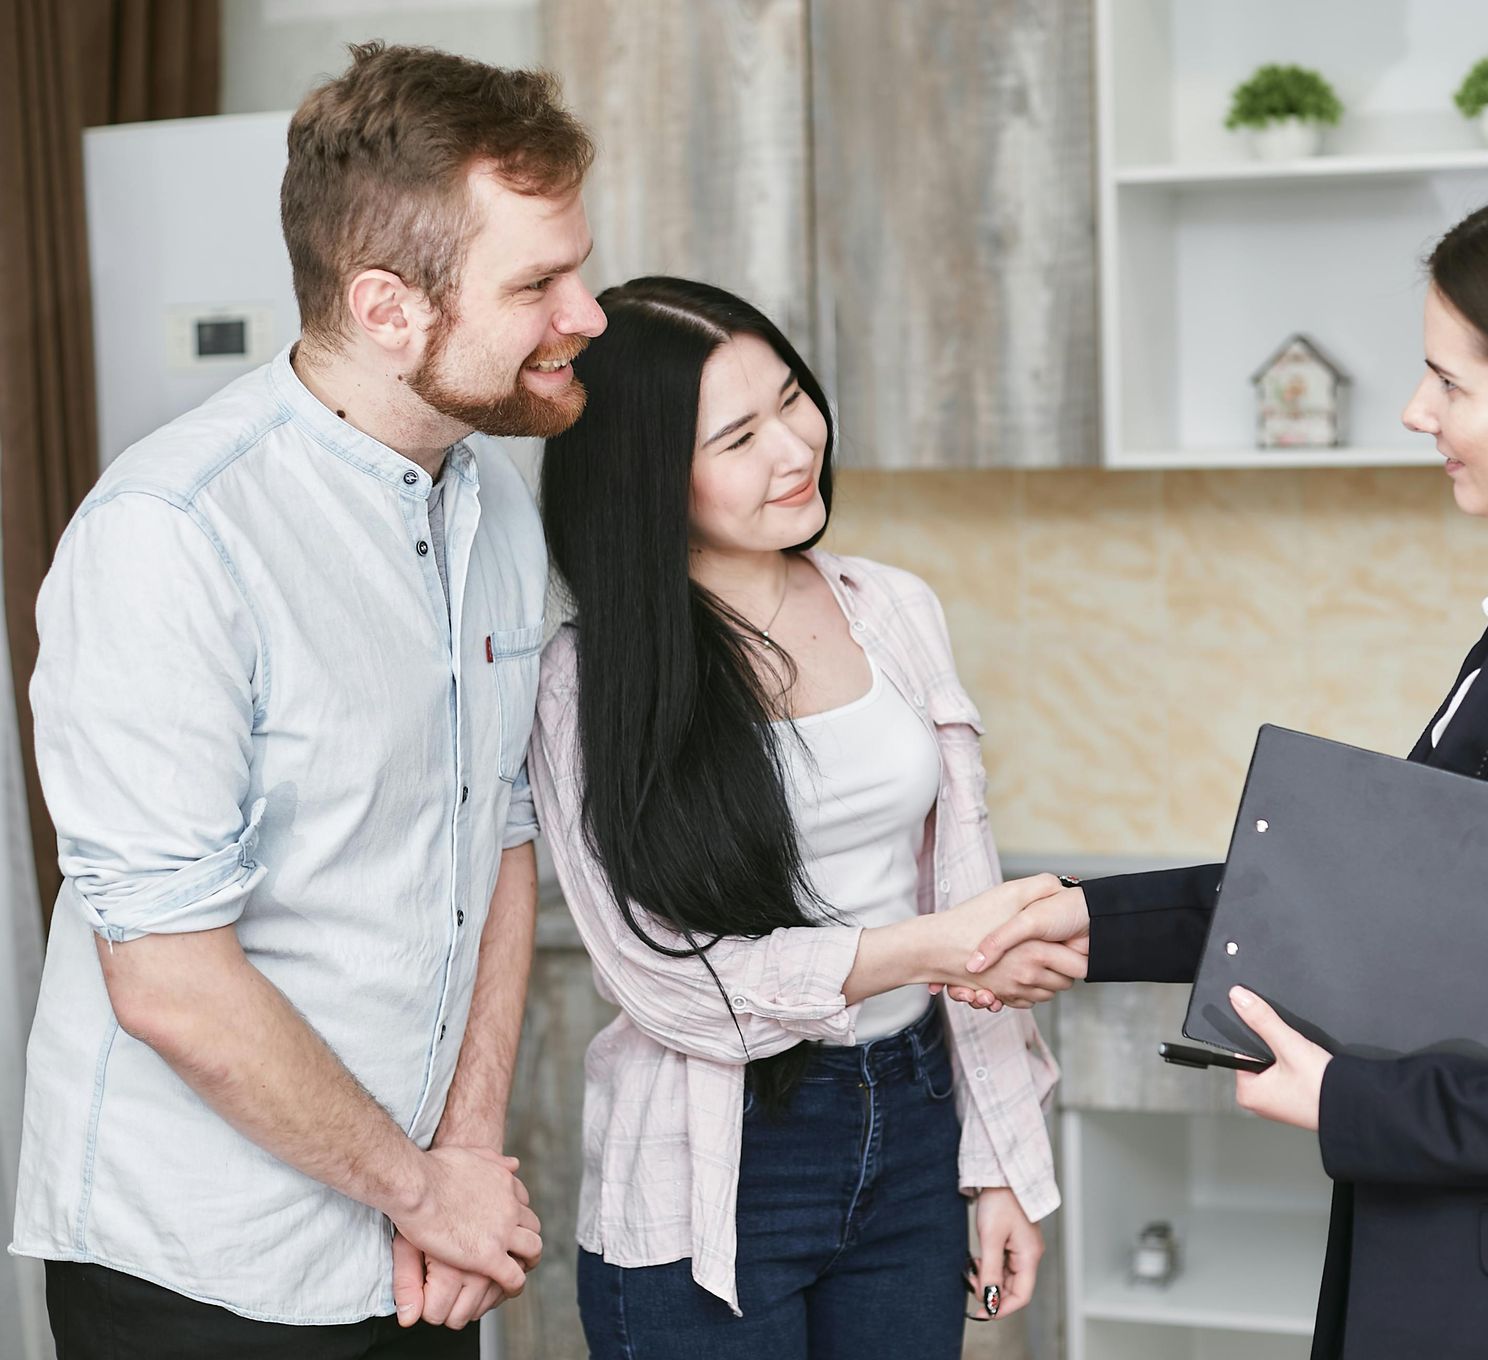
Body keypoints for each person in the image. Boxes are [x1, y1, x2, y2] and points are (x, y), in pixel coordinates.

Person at [954, 180, 1488, 1360]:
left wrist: (1355, 1102)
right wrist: (1090, 923)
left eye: (1451, 381)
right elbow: (1384, 901)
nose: (1417, 410)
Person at [12, 42, 606, 1356]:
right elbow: (167, 977)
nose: (589, 313)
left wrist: (461, 1151)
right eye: (541, 283)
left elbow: (494, 833)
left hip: (416, 1243)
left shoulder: (493, 503)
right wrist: (424, 1189)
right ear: (389, 308)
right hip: (203, 1273)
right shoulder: (173, 535)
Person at [532, 276, 1077, 1359]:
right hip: (717, 1158)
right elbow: (668, 984)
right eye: (737, 437)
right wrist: (925, 949)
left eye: (791, 399)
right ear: (648, 477)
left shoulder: (892, 608)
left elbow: (960, 884)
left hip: (915, 1118)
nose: (794, 448)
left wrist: (1001, 1165)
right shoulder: (588, 683)